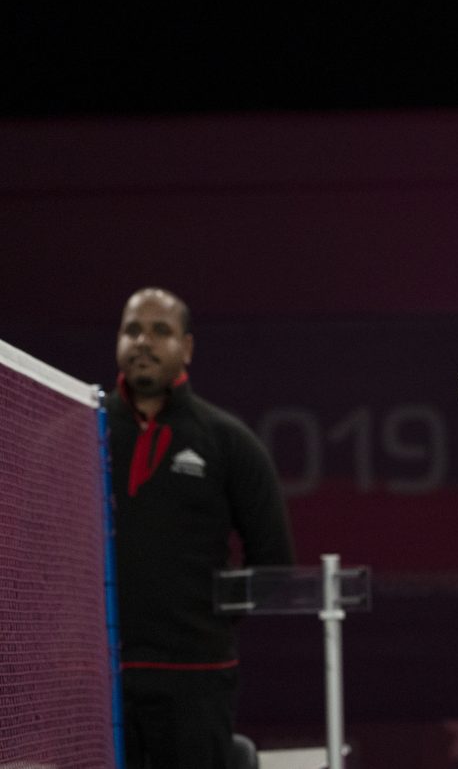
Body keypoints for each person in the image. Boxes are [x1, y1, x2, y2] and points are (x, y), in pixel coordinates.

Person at [106, 287, 295, 769]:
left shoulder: (228, 441)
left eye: (160, 331)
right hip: (97, 677)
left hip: (195, 678)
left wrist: (199, 626)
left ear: (186, 347)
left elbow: (272, 564)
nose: (143, 342)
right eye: (133, 330)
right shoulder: (80, 431)